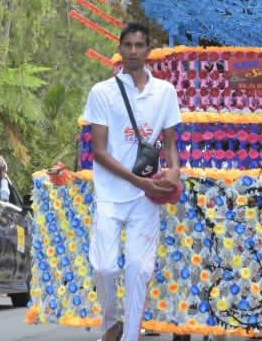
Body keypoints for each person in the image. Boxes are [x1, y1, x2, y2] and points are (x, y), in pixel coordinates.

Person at [82, 21, 182, 341]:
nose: (134, 52)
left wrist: (175, 171)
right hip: (111, 195)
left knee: (139, 269)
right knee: (105, 268)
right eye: (128, 46)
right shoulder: (102, 92)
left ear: (148, 51)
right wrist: (141, 183)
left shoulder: (164, 92)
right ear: (120, 49)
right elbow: (98, 152)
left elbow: (169, 143)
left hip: (145, 200)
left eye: (140, 46)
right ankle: (112, 321)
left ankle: (130, 336)